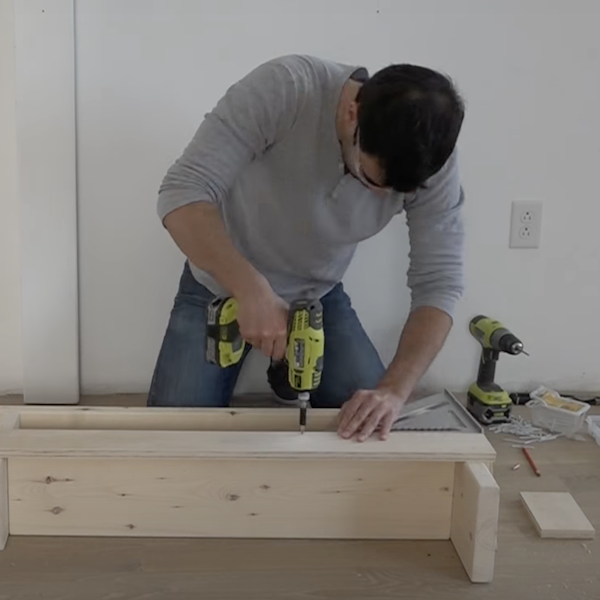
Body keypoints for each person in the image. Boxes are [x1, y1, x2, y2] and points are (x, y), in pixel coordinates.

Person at [147, 54, 466, 442]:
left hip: (317, 299)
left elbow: (440, 283)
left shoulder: (428, 158)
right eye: (368, 178)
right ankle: (285, 361)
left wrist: (394, 390)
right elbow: (182, 192)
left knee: (376, 429)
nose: (378, 196)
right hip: (220, 286)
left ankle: (288, 368)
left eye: (395, 193)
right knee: (170, 439)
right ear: (353, 114)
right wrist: (250, 289)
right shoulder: (287, 87)